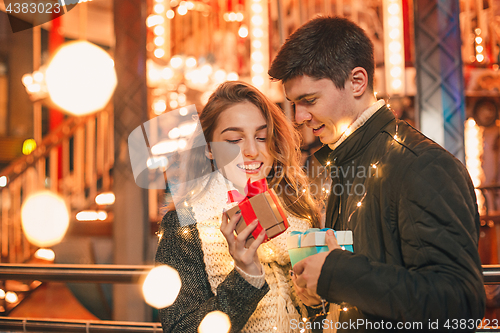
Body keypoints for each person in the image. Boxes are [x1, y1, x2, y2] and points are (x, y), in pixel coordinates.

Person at [268, 16, 486, 331]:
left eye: (309, 100)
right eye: (294, 104)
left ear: (357, 81)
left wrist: (335, 274)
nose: (299, 117)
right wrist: (321, 289)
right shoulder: (342, 160)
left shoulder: (422, 166)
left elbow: (460, 305)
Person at [155, 81, 324, 332]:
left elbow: (324, 319)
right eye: (234, 140)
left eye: (261, 137)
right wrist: (246, 278)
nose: (252, 151)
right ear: (209, 149)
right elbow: (180, 328)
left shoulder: (301, 211)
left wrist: (317, 301)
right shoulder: (185, 224)